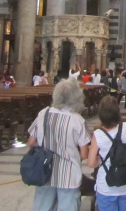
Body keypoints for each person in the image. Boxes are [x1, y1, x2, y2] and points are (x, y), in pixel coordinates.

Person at [28, 79, 91, 211]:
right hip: (69, 175)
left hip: (45, 171)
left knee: (42, 207)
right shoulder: (78, 120)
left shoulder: (43, 113)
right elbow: (84, 154)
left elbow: (31, 142)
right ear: (77, 97)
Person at [87, 96, 126, 211]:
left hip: (106, 186)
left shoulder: (98, 134)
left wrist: (100, 159)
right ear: (117, 112)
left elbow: (90, 163)